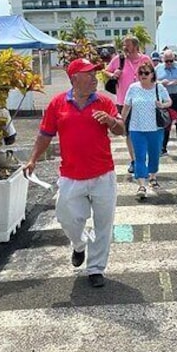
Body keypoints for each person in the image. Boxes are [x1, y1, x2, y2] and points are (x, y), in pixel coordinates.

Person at [22, 58, 125, 288]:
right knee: (66, 217)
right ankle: (79, 245)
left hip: (102, 175)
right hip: (71, 176)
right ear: (74, 78)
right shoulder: (57, 104)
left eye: (94, 74)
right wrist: (33, 159)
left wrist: (110, 121)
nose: (94, 78)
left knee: (103, 224)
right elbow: (45, 135)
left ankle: (96, 268)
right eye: (89, 74)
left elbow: (121, 129)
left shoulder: (104, 102)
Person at [121, 60, 171, 199]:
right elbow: (126, 106)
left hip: (155, 128)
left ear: (152, 75)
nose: (143, 75)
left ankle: (153, 176)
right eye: (140, 73)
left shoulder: (159, 88)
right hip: (136, 128)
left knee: (154, 155)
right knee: (139, 157)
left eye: (146, 73)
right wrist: (120, 121)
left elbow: (169, 101)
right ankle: (141, 185)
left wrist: (162, 105)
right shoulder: (133, 88)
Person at [106, 36, 150, 173]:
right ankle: (134, 161)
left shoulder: (145, 60)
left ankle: (142, 159)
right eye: (124, 45)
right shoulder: (119, 59)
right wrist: (112, 75)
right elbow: (106, 71)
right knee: (129, 133)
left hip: (143, 101)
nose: (125, 47)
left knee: (143, 132)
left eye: (128, 45)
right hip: (123, 102)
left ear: (136, 46)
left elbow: (153, 77)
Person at [155, 50, 177, 153]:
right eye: (167, 61)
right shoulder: (158, 68)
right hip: (165, 97)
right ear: (163, 60)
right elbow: (152, 81)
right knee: (165, 121)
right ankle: (163, 146)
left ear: (174, 59)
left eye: (171, 61)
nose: (169, 63)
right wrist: (161, 82)